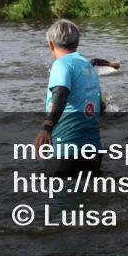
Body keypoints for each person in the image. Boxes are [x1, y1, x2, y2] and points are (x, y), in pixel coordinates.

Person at [33, 19, 104, 177]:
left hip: (66, 152)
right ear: (77, 42)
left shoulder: (61, 64)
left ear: (51, 44)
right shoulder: (88, 66)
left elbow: (61, 92)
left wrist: (46, 127)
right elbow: (101, 106)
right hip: (94, 152)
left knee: (60, 198)